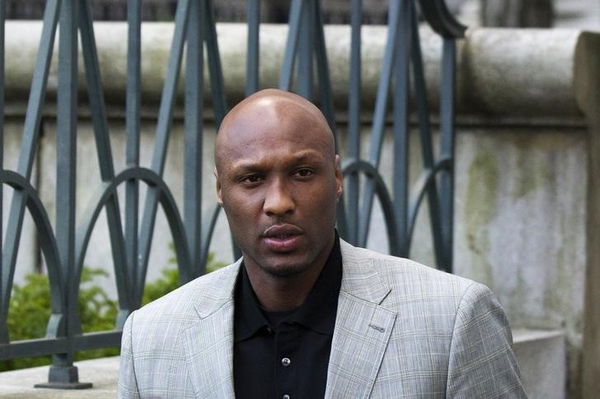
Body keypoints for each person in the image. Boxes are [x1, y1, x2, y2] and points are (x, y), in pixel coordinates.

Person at [118, 89, 527, 398]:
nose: (278, 203)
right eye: (251, 179)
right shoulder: (152, 337)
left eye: (302, 172)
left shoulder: (454, 318)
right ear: (221, 189)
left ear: (336, 178)